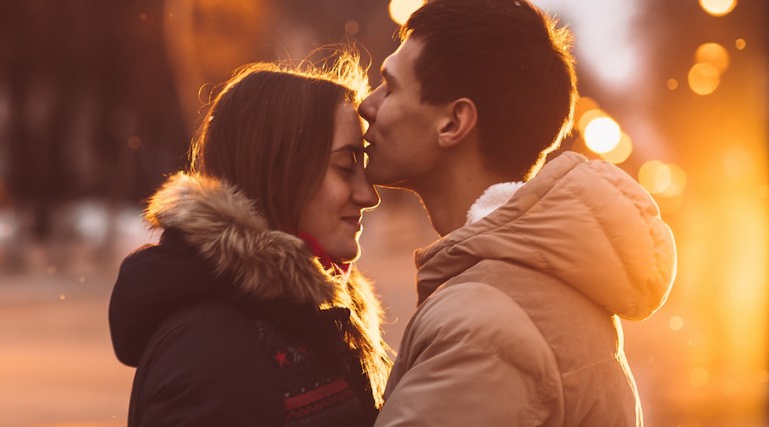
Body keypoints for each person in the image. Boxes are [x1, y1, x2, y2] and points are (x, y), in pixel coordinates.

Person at [357, 0, 677, 425]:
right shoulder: (530, 285)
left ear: (453, 123)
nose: (368, 105)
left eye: (390, 87)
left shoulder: (481, 328)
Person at [108, 61, 391, 427]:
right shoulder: (212, 352)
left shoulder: (306, 309)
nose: (369, 195)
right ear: (277, 172)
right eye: (344, 167)